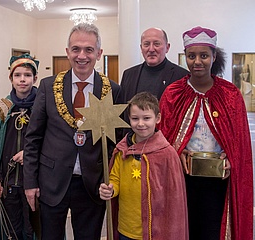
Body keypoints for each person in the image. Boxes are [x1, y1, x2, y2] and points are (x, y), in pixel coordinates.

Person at [23, 23, 122, 240]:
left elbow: (117, 143)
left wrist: (113, 180)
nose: (82, 56)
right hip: (52, 181)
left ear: (99, 53)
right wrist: (30, 183)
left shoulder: (112, 90)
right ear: (67, 52)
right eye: (76, 49)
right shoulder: (48, 87)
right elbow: (33, 139)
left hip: (92, 185)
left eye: (89, 50)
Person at [158, 26, 253, 240]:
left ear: (213, 57)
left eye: (203, 56)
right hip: (182, 179)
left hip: (218, 181)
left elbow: (239, 143)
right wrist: (177, 152)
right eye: (191, 56)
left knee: (212, 230)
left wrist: (231, 158)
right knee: (185, 230)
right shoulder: (173, 94)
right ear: (185, 58)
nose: (197, 61)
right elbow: (162, 137)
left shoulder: (230, 95)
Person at [99, 92, 188, 240]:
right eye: (135, 118)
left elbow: (173, 199)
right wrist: (110, 189)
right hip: (126, 228)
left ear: (157, 118)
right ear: (129, 119)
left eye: (146, 118)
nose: (140, 124)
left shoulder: (166, 154)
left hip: (156, 231)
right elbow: (115, 179)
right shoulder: (122, 150)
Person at [0, 53, 40, 239]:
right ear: (11, 78)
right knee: (12, 230)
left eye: (27, 75)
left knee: (32, 229)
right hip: (9, 182)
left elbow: (50, 141)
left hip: (34, 182)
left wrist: (28, 153)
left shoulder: (42, 106)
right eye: (17, 75)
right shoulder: (2, 109)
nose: (22, 80)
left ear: (35, 78)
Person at [120, 27, 189, 102]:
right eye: (146, 44)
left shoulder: (182, 77)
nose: (151, 49)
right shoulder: (128, 75)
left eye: (156, 44)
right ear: (141, 48)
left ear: (167, 47)